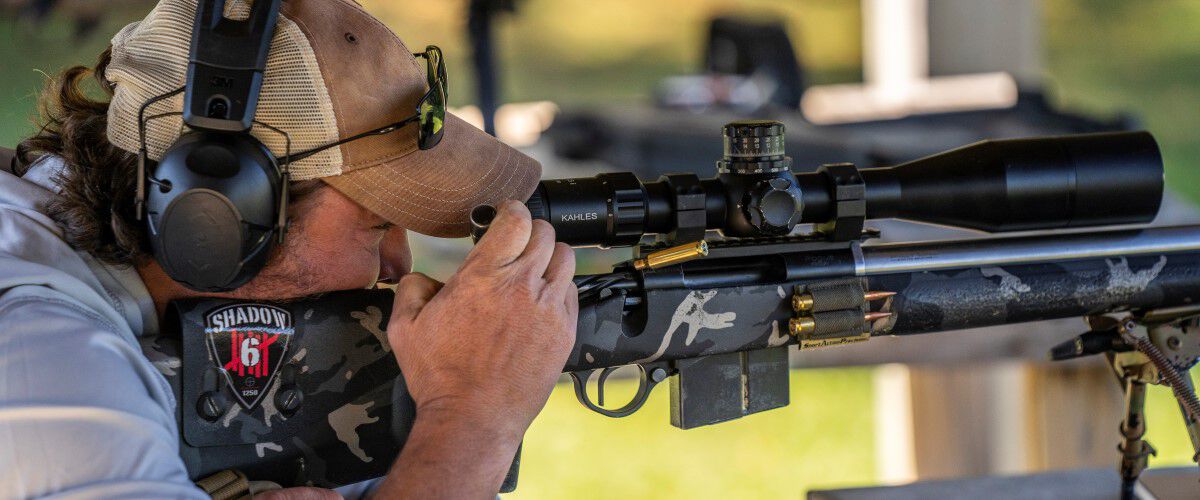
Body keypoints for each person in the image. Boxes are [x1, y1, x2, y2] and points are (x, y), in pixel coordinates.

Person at [0, 0, 578, 497]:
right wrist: (470, 419)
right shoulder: (37, 357)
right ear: (216, 223)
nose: (401, 266)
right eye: (378, 227)